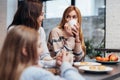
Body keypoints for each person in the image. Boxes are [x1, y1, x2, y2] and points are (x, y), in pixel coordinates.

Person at [0, 25, 85, 80]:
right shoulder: (34, 73)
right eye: (39, 46)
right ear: (25, 50)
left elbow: (42, 62)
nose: (42, 50)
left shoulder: (8, 70)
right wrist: (66, 64)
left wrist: (55, 63)